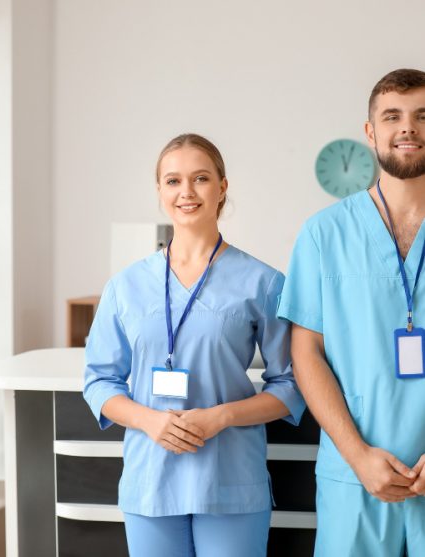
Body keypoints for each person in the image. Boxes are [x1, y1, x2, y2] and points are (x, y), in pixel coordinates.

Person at [83, 133, 304, 557]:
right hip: (151, 477)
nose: (186, 192)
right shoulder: (125, 286)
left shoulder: (263, 282)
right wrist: (149, 421)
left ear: (222, 187)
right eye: (173, 181)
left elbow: (291, 385)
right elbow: (99, 382)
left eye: (200, 178)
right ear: (159, 191)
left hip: (229, 476)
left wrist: (221, 417)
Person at [277, 68, 425, 557]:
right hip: (354, 474)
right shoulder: (324, 235)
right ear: (370, 132)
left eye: (422, 116)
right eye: (393, 116)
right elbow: (306, 352)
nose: (408, 128)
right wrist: (358, 456)